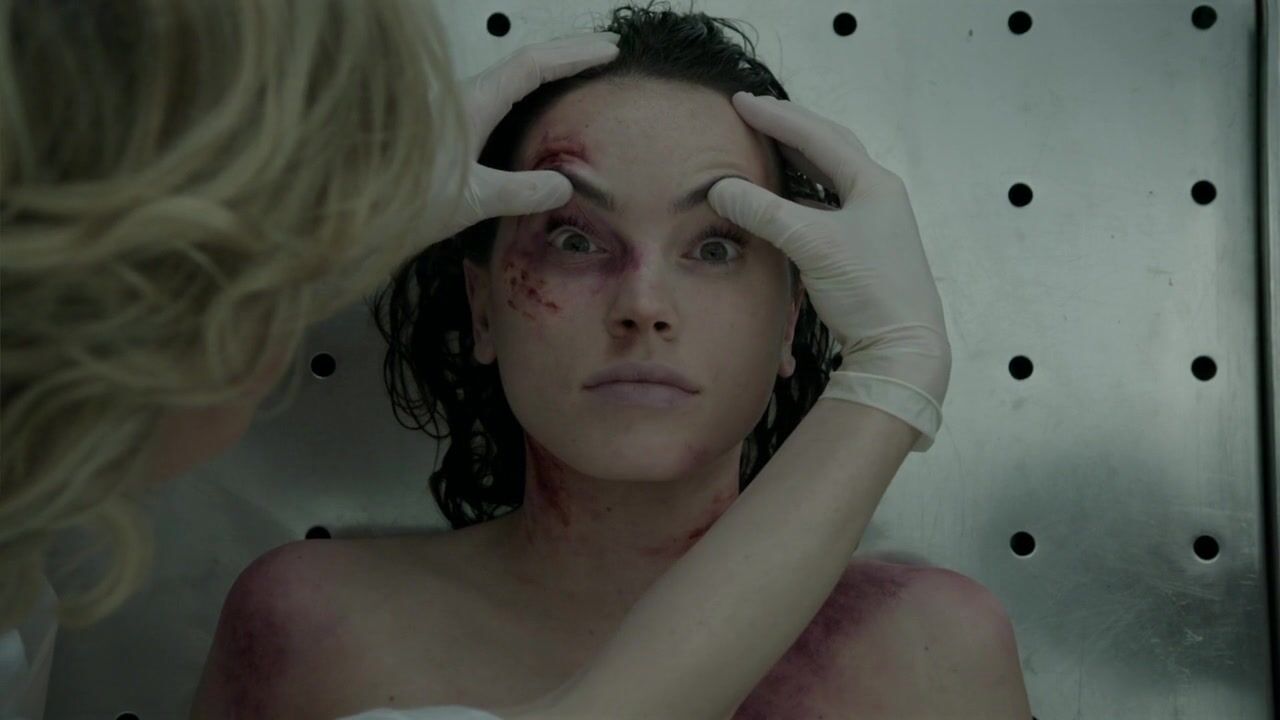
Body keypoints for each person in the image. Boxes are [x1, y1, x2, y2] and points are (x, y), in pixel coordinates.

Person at [0, 1, 998, 719]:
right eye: (572, 238)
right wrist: (896, 371)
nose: (643, 306)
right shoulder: (305, 621)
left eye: (715, 247)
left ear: (793, 322)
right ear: (482, 309)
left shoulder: (937, 650)